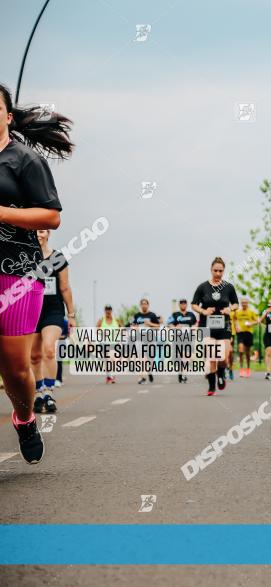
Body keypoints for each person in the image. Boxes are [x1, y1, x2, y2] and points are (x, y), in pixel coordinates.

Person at [0, 83, 71, 464]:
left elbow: (51, 216)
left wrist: (2, 212)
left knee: (15, 369)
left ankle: (25, 417)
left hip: (18, 271)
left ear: (7, 116)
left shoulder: (24, 160)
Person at [30, 229, 75, 413]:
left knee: (49, 349)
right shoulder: (26, 257)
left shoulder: (57, 257)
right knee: (33, 356)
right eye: (35, 232)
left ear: (48, 233)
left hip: (53, 310)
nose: (39, 235)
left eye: (41, 231)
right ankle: (38, 393)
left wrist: (71, 314)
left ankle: (49, 393)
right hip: (31, 311)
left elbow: (64, 287)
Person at [191, 257, 239, 396]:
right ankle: (211, 387)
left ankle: (222, 373)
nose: (218, 273)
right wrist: (203, 311)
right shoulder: (203, 287)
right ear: (211, 270)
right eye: (215, 270)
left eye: (221, 271)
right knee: (212, 355)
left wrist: (230, 309)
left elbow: (236, 303)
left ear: (224, 271)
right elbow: (193, 304)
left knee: (224, 357)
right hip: (207, 325)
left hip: (224, 325)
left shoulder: (228, 287)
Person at [130, 298, 161, 384]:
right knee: (140, 359)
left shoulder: (152, 315)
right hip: (140, 339)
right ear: (140, 305)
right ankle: (141, 377)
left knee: (150, 358)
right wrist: (135, 328)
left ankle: (149, 371)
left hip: (151, 339)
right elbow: (132, 326)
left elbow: (158, 327)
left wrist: (150, 324)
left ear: (148, 305)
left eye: (145, 304)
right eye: (142, 304)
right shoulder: (136, 316)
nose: (144, 305)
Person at [168, 298, 198, 383]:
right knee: (180, 357)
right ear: (179, 305)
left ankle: (184, 374)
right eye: (181, 303)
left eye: (184, 303)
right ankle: (181, 373)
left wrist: (194, 327)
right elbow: (169, 324)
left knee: (187, 356)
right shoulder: (175, 314)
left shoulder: (191, 314)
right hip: (178, 338)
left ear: (186, 304)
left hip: (188, 338)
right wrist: (175, 327)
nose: (183, 304)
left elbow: (196, 323)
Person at [231, 296, 258, 377]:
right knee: (241, 350)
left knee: (247, 352)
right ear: (241, 303)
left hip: (249, 332)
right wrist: (236, 326)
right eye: (242, 303)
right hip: (240, 333)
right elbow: (234, 319)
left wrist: (251, 323)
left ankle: (248, 369)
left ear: (247, 303)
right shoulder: (237, 312)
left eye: (245, 303)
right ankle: (241, 369)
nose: (244, 304)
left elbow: (257, 321)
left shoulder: (251, 312)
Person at [96, 305, 120, 383]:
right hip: (104, 342)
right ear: (104, 311)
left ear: (111, 311)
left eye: (109, 309)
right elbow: (97, 330)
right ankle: (109, 375)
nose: (108, 311)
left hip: (114, 342)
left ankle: (111, 375)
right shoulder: (101, 320)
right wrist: (102, 333)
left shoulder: (116, 320)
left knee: (114, 360)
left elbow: (122, 328)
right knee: (107, 360)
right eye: (107, 310)